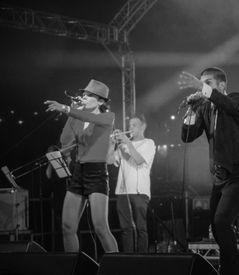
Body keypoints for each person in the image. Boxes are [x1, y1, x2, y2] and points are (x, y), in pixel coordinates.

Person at [178, 67, 239, 275]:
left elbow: (231, 106)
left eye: (208, 82)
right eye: (202, 83)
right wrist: (191, 111)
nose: (203, 86)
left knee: (222, 221)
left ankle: (229, 271)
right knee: (216, 225)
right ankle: (237, 268)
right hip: (220, 178)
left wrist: (199, 87)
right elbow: (187, 136)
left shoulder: (238, 99)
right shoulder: (206, 109)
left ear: (221, 85)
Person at [44, 79, 118, 253]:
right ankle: (74, 268)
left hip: (97, 173)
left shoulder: (108, 117)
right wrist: (72, 112)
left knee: (100, 227)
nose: (84, 97)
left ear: (101, 101)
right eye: (83, 94)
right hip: (79, 172)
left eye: (89, 95)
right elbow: (65, 140)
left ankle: (118, 267)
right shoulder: (78, 116)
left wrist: (66, 109)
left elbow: (90, 117)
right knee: (68, 227)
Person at [107, 115, 156, 252]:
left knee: (141, 228)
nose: (130, 128)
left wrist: (127, 142)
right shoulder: (122, 146)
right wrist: (112, 144)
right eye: (129, 125)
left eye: (134, 125)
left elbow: (139, 160)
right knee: (126, 229)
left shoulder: (149, 143)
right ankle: (129, 259)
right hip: (122, 191)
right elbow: (110, 161)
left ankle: (142, 260)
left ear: (143, 127)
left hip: (140, 191)